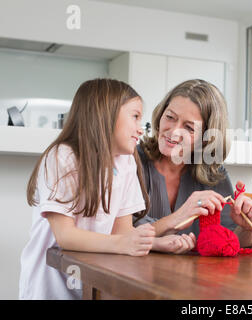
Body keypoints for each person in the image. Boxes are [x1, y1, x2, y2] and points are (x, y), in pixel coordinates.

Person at [19, 79, 184, 300]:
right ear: (105, 113)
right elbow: (66, 236)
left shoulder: (125, 163)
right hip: (49, 288)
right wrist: (126, 243)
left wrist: (153, 244)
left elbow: (121, 234)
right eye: (135, 116)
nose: (140, 128)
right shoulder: (63, 157)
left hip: (88, 283)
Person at [134, 79, 252, 253]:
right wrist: (179, 216)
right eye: (170, 117)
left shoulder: (213, 174)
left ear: (206, 138)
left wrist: (247, 228)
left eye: (189, 128)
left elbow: (227, 238)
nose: (173, 131)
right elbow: (118, 233)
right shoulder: (131, 161)